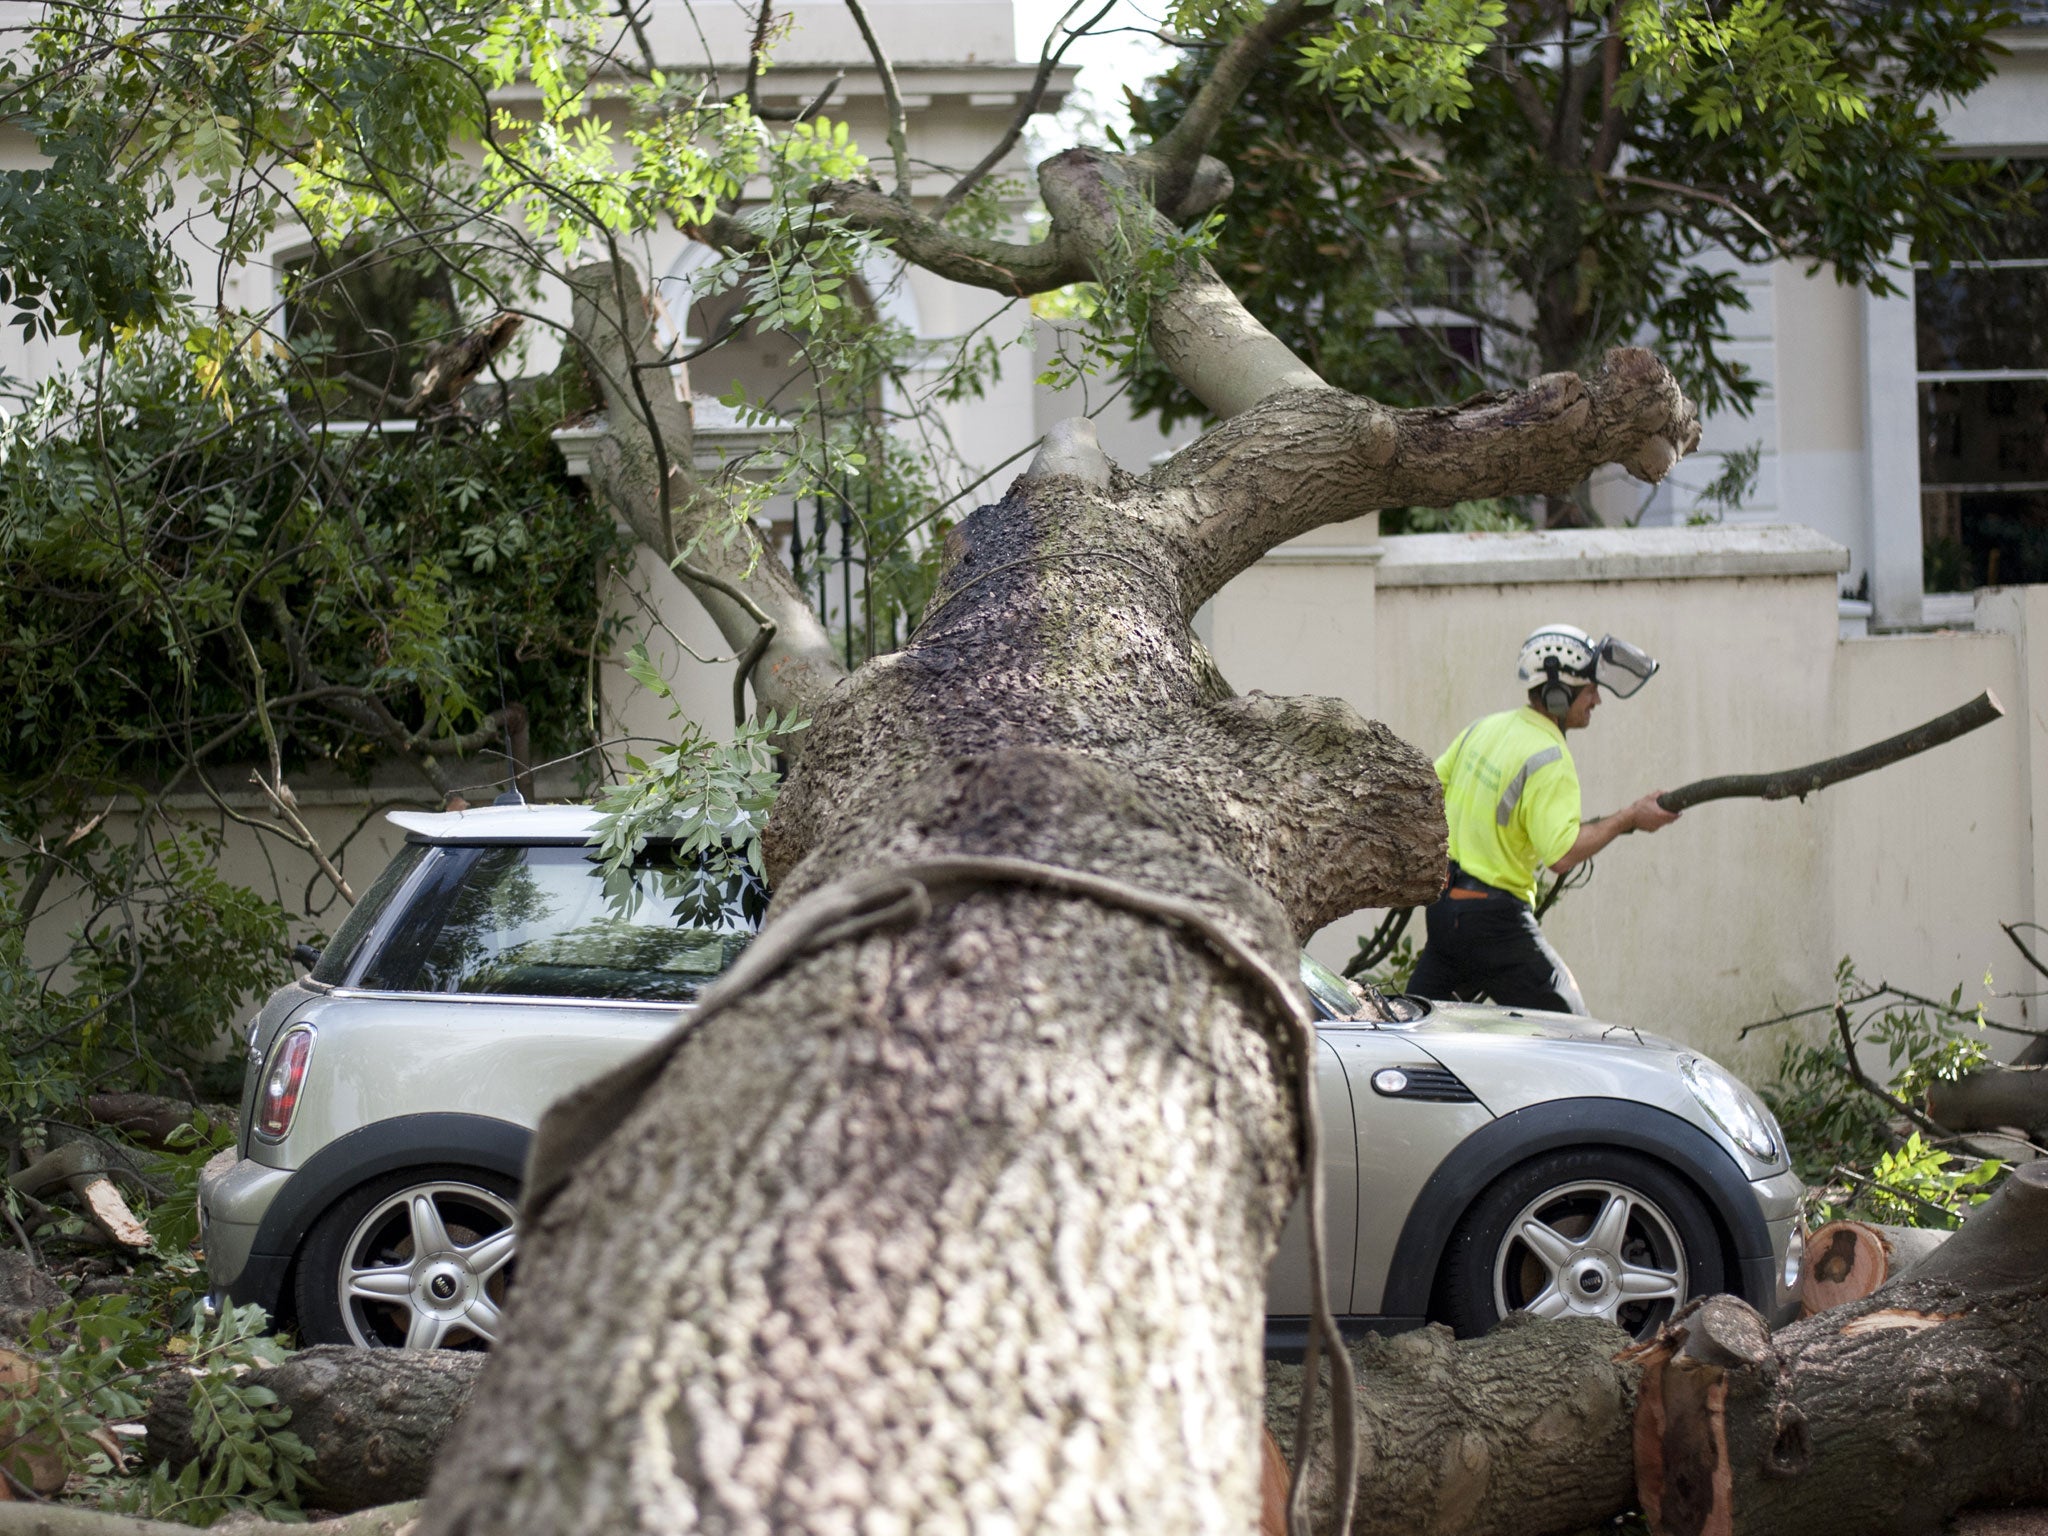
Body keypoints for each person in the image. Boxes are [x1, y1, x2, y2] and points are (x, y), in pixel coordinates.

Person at [1406, 623, 1679, 1016]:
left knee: (1418, 1031)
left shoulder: (1485, 727)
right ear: (1557, 694)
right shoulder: (1549, 757)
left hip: (1446, 912)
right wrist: (1629, 817)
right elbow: (1562, 855)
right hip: (1494, 922)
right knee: (1571, 1033)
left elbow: (1428, 788)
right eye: (1589, 690)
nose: (1597, 700)